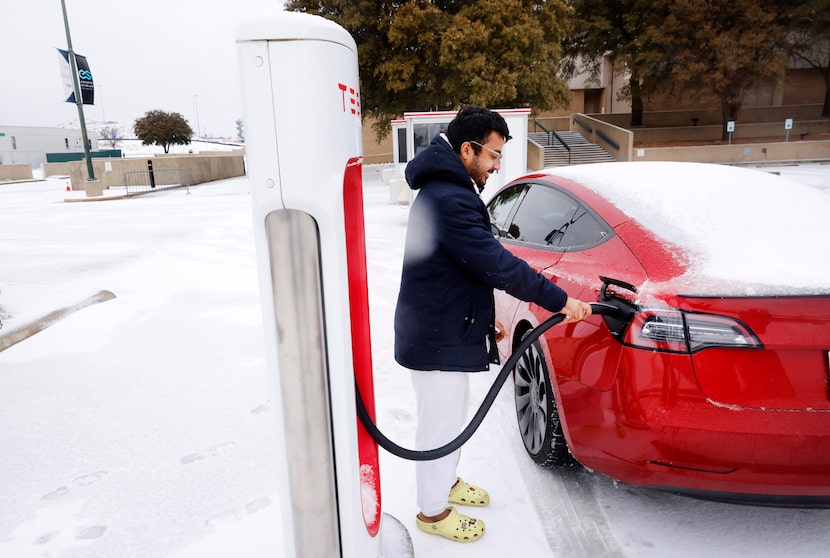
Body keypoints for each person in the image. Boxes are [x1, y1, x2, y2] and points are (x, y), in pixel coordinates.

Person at [394, 106, 592, 543]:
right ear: (467, 150)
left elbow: (457, 271)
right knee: (439, 425)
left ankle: (445, 481)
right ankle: (432, 511)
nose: (498, 165)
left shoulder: (448, 189)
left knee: (451, 418)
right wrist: (559, 301)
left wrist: (484, 324)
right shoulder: (450, 198)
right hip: (435, 338)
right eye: (493, 155)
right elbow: (496, 264)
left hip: (442, 328)